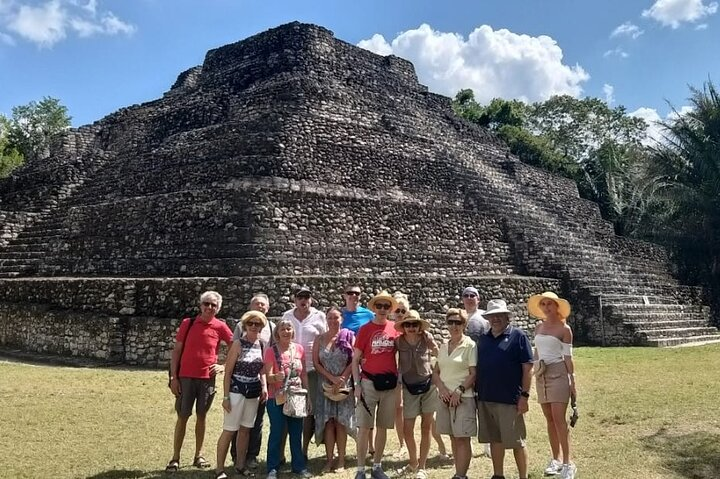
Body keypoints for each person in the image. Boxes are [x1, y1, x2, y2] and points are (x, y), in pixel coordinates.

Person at [166, 291, 233, 472]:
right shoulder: (188, 324)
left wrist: (224, 366)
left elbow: (236, 346)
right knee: (182, 416)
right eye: (206, 303)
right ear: (200, 305)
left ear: (217, 308)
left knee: (201, 416)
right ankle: (175, 457)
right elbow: (177, 351)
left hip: (206, 379)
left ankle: (199, 455)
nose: (209, 307)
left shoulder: (220, 326)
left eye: (213, 305)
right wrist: (174, 378)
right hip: (186, 377)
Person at [475, 299, 533, 479]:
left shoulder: (518, 336)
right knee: (495, 439)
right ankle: (498, 474)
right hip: (486, 397)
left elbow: (527, 368)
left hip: (510, 399)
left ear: (507, 317)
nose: (496, 319)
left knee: (516, 442)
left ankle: (523, 476)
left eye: (499, 315)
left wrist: (524, 396)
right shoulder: (483, 339)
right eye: (492, 316)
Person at [528, 292, 577, 479]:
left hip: (558, 374)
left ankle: (568, 462)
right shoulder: (538, 326)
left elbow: (568, 358)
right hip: (542, 374)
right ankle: (555, 459)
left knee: (559, 419)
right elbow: (537, 351)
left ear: (557, 306)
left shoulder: (565, 329)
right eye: (544, 304)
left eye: (550, 303)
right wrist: (534, 368)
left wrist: (572, 381)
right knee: (549, 419)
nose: (547, 307)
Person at [215, 311, 268, 479]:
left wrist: (264, 386)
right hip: (236, 391)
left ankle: (240, 465)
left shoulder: (262, 344)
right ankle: (220, 469)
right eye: (251, 323)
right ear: (245, 325)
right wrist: (225, 397)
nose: (254, 326)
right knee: (230, 430)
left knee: (246, 430)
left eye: (257, 324)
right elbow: (228, 372)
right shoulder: (238, 344)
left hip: (253, 392)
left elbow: (262, 370)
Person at [352, 290, 400, 479]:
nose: (382, 309)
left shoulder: (395, 328)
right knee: (364, 427)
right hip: (368, 382)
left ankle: (377, 466)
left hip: (388, 384)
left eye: (386, 306)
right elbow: (355, 359)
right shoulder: (365, 329)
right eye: (379, 306)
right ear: (374, 308)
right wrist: (356, 384)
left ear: (390, 309)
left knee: (383, 426)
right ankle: (360, 469)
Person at [282, 286, 327, 458]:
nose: (303, 300)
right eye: (300, 297)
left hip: (312, 369)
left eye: (307, 297)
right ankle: (282, 451)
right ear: (294, 300)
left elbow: (324, 340)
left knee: (308, 411)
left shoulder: (319, 316)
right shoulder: (287, 316)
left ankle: (304, 450)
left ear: (311, 299)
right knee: (288, 410)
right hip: (290, 370)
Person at [230, 294, 274, 471]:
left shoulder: (271, 326)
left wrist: (266, 382)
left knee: (257, 420)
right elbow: (234, 350)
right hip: (239, 383)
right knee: (237, 421)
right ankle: (236, 455)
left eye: (263, 305)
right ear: (250, 306)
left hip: (260, 380)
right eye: (257, 304)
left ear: (268, 308)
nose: (260, 307)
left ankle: (252, 455)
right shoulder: (241, 326)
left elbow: (271, 354)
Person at [264, 320, 312, 479]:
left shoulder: (299, 349)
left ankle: (298, 466)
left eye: (288, 328)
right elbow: (268, 377)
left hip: (296, 396)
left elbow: (303, 373)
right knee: (277, 432)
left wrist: (308, 396)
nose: (286, 331)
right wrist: (275, 377)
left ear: (293, 331)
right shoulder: (271, 351)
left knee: (296, 432)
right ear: (277, 332)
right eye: (282, 329)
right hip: (276, 397)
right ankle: (272, 467)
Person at [433, 308, 477, 479]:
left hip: (463, 398)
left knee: (462, 438)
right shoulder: (444, 346)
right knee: (452, 436)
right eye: (450, 322)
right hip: (444, 398)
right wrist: (442, 389)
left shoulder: (470, 345)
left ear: (464, 324)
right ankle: (458, 473)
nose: (454, 326)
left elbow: (473, 373)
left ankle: (461, 475)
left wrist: (460, 390)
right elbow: (435, 372)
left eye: (457, 322)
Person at [395, 310, 439, 479]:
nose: (411, 327)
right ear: (403, 327)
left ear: (419, 326)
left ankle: (422, 466)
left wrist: (432, 343)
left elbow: (438, 355)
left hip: (428, 386)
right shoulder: (398, 342)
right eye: (408, 324)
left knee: (426, 427)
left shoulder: (426, 339)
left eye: (414, 324)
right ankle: (413, 462)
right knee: (408, 429)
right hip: (409, 388)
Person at [312, 306, 356, 473]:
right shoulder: (319, 339)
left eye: (335, 317)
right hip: (326, 385)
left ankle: (341, 460)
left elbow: (354, 360)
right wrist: (331, 378)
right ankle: (329, 460)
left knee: (341, 423)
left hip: (344, 385)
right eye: (329, 317)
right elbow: (316, 362)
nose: (332, 321)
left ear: (341, 319)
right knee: (328, 423)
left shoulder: (349, 336)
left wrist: (343, 378)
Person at [463, 286, 491, 458]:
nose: (469, 298)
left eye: (473, 295)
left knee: (483, 405)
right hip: (464, 367)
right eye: (466, 295)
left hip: (481, 366)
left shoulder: (484, 317)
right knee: (467, 406)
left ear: (478, 299)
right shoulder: (459, 317)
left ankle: (487, 443)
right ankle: (469, 443)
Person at [389, 292, 410, 460]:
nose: (400, 314)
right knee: (398, 409)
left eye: (403, 311)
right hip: (395, 374)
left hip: (411, 374)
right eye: (398, 311)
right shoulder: (390, 329)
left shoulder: (411, 327)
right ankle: (402, 443)